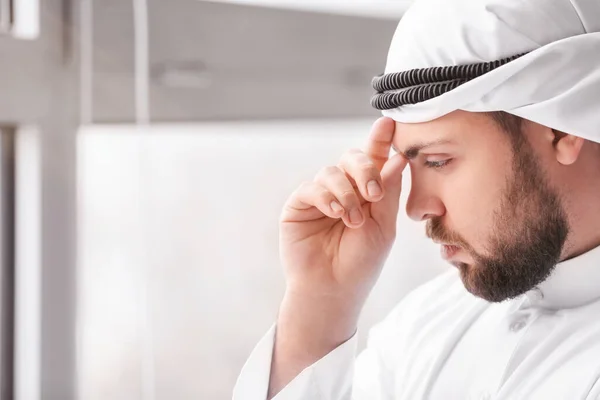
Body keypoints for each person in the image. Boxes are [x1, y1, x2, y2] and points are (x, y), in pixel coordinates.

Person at [233, 0, 600, 398]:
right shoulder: (424, 323)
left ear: (561, 131)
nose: (415, 208)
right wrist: (321, 302)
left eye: (438, 161)